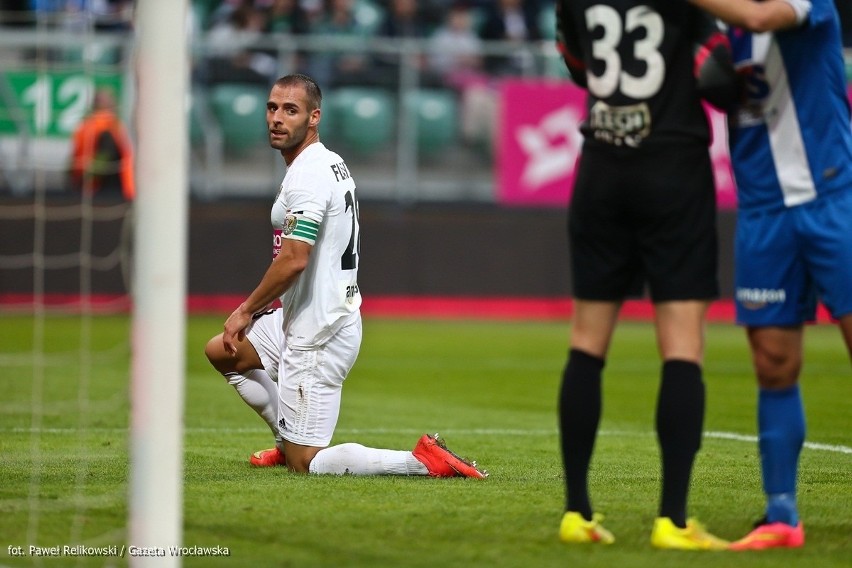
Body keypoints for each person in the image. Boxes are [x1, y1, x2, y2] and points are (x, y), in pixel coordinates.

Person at [203, 73, 487, 479]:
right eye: (271, 108)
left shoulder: (307, 174)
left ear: (314, 117)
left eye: (290, 110)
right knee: (223, 352)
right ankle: (286, 443)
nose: (276, 118)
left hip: (318, 329)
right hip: (308, 314)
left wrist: (247, 310)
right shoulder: (327, 161)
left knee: (309, 463)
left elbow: (295, 258)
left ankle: (421, 462)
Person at [554, 0, 735, 550]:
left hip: (602, 169)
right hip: (673, 168)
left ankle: (576, 511)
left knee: (586, 343)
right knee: (682, 347)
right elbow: (719, 79)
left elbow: (576, 64)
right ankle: (672, 520)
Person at [687, 0, 852, 550]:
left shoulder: (807, 5)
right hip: (763, 214)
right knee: (773, 362)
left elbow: (762, 18)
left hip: (834, 203)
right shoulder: (717, 34)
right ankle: (782, 514)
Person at [68, 87, 135, 200]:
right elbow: (106, 154)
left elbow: (72, 159)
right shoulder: (108, 126)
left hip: (84, 187)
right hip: (104, 189)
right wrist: (89, 176)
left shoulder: (84, 126)